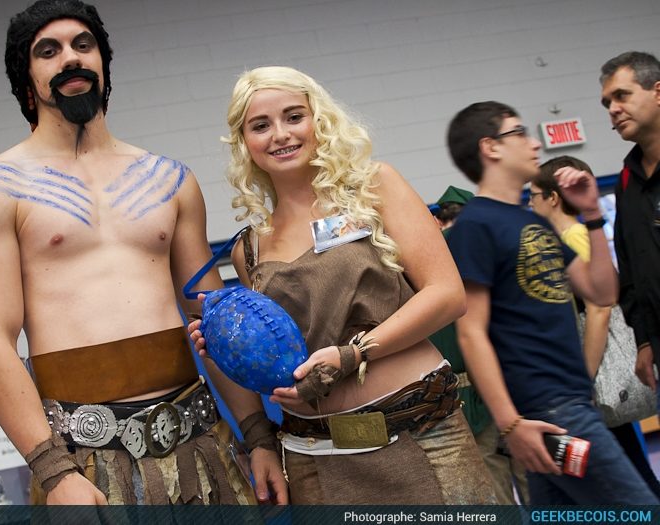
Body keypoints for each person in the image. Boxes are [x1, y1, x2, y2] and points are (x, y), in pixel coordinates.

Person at [0, 0, 262, 505]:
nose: (70, 58)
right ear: (26, 78)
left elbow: (214, 316)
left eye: (83, 44)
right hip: (82, 461)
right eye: (48, 51)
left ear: (103, 62)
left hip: (200, 445)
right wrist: (54, 471)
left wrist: (258, 433)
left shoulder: (169, 179)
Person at [192, 66, 496, 504]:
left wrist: (353, 355)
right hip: (313, 457)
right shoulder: (248, 249)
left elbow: (447, 295)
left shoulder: (374, 188)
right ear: (244, 143)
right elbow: (287, 358)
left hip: (418, 434)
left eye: (294, 116)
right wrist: (226, 345)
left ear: (320, 120)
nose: (280, 134)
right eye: (260, 125)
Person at [445, 100, 658, 504]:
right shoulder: (475, 226)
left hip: (571, 400)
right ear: (490, 147)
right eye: (519, 132)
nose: (534, 143)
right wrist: (510, 424)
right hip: (550, 410)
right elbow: (471, 333)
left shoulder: (533, 221)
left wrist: (591, 214)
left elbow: (601, 292)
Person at [532, 155, 660, 498]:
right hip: (583, 370)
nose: (530, 205)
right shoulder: (565, 238)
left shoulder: (574, 237)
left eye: (534, 196)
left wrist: (583, 377)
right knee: (624, 468)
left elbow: (600, 308)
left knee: (626, 473)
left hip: (593, 369)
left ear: (553, 198)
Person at [429, 185, 530, 505]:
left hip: (460, 394)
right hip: (512, 383)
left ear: (438, 220)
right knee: (534, 478)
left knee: (494, 484)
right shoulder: (498, 249)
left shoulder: (425, 264)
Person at [599, 51, 660, 396]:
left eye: (622, 95)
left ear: (658, 92)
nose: (613, 109)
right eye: (607, 102)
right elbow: (632, 269)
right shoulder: (627, 181)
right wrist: (643, 340)